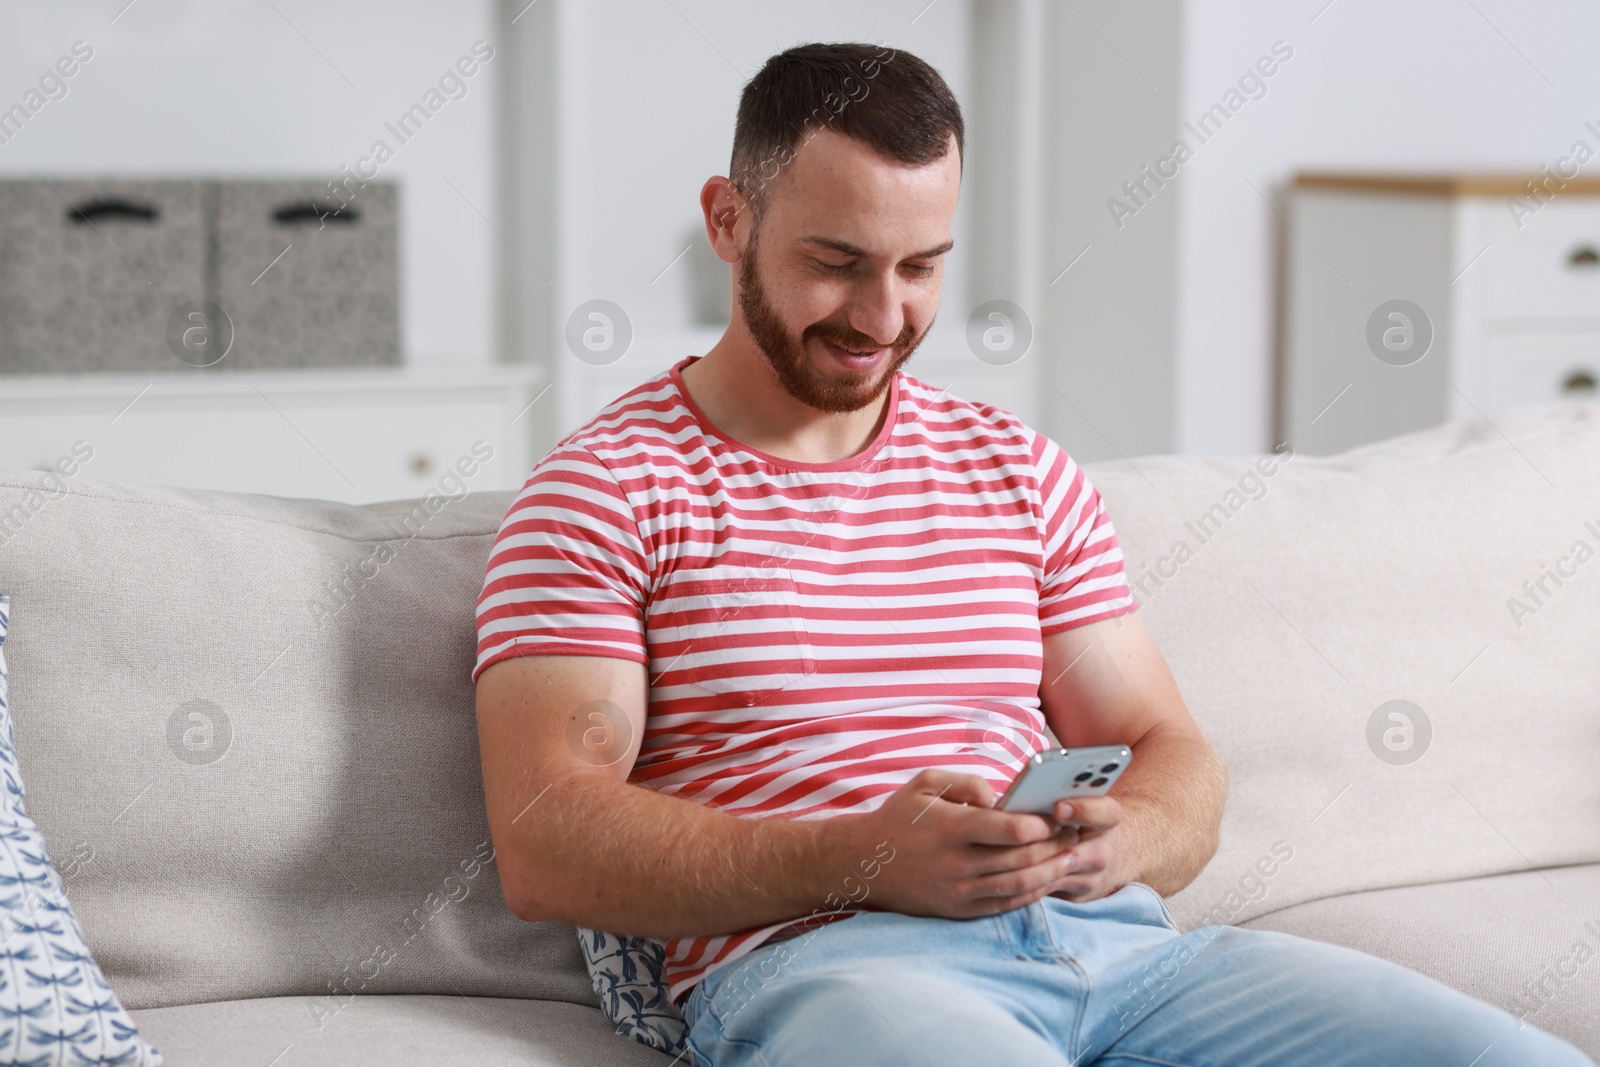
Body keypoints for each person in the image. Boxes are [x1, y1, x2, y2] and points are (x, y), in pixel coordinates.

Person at [471, 41, 1595, 1067]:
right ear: (727, 219)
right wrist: (857, 855)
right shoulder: (607, 488)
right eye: (836, 261)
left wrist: (1128, 834)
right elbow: (543, 836)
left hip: (1128, 956)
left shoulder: (1019, 469)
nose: (880, 315)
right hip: (836, 969)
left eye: (921, 267)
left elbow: (1170, 751)